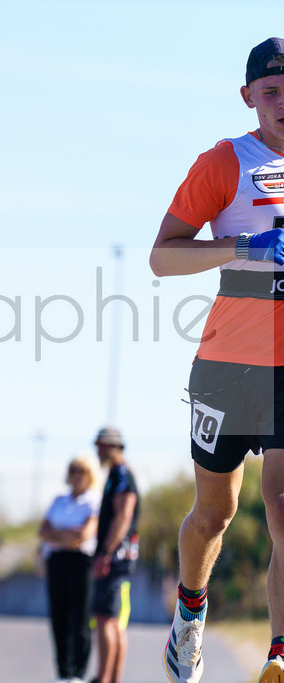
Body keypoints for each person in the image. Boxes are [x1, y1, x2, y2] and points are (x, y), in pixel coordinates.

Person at [150, 36, 284, 683]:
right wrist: (245, 247)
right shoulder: (226, 162)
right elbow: (163, 255)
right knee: (215, 515)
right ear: (249, 98)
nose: (283, 104)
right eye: (271, 92)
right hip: (229, 363)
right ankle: (190, 617)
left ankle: (280, 653)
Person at [38, 455, 100, 683]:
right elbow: (43, 531)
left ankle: (78, 672)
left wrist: (60, 534)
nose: (76, 476)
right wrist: (67, 536)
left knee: (80, 617)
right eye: (73, 470)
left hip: (81, 563)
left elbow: (84, 535)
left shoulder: (93, 501)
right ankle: (62, 671)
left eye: (81, 471)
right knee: (59, 616)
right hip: (57, 561)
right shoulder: (59, 501)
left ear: (89, 475)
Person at [89, 428, 139, 683]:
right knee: (114, 620)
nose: (98, 450)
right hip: (121, 559)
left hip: (115, 559)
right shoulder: (116, 475)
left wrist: (105, 553)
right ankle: (111, 678)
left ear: (116, 447)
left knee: (106, 619)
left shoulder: (121, 475)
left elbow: (123, 515)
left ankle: (104, 677)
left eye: (103, 445)